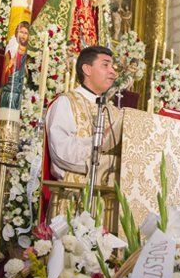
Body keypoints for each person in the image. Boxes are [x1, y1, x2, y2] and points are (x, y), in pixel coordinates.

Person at [45, 46, 123, 184]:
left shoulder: (114, 112)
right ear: (87, 69)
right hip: (73, 194)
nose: (113, 72)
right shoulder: (66, 102)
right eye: (105, 65)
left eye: (113, 66)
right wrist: (100, 141)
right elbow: (61, 151)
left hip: (108, 197)